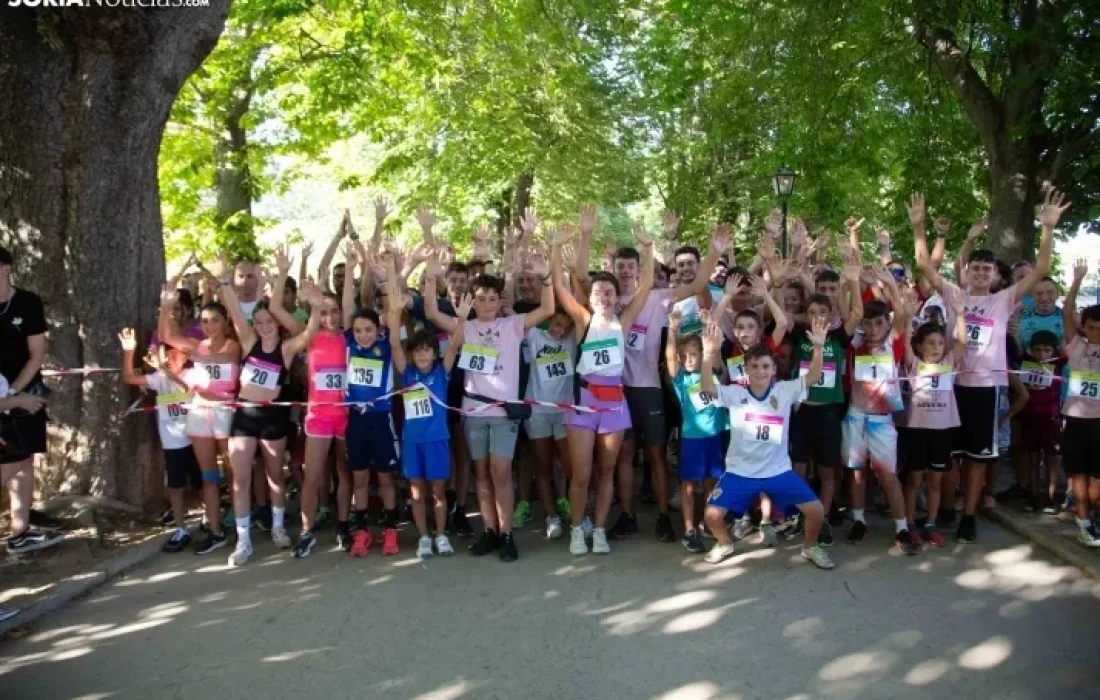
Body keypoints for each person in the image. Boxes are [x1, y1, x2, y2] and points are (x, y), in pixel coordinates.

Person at [914, 188, 1069, 543]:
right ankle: (949, 508)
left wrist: (1047, 228)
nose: (981, 273)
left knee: (977, 459)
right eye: (976, 268)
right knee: (951, 457)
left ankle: (969, 515)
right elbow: (924, 265)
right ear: (966, 272)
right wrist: (919, 226)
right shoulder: (956, 295)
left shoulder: (1004, 300)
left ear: (995, 275)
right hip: (951, 386)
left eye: (987, 269)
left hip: (985, 389)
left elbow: (1042, 268)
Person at [574, 208, 731, 544]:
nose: (626, 273)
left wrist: (715, 251)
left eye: (631, 267)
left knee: (657, 453)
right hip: (613, 390)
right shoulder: (605, 302)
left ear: (639, 270)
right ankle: (627, 515)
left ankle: (662, 516)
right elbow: (576, 276)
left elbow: (700, 283)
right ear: (613, 271)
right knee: (623, 456)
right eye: (621, 268)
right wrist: (584, 234)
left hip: (647, 387)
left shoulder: (656, 297)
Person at [424, 242, 555, 563]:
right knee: (481, 474)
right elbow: (430, 312)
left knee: (501, 473)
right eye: (480, 298)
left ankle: (508, 532)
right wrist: (430, 274)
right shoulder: (465, 327)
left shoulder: (512, 325)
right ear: (472, 300)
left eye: (492, 299)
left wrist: (547, 278)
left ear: (500, 302)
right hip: (473, 411)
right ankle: (490, 530)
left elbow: (547, 311)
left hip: (503, 412)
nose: (486, 303)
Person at [550, 219, 656, 555]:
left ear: (615, 297)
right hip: (583, 400)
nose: (605, 297)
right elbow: (557, 285)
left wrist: (648, 247)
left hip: (613, 403)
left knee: (607, 470)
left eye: (609, 292)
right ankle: (577, 529)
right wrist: (555, 249)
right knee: (581, 474)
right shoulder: (583, 320)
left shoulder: (622, 321)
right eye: (599, 292)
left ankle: (598, 529)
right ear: (591, 296)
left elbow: (648, 283)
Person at [698, 319, 835, 570]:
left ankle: (810, 547)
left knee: (815, 510)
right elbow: (707, 386)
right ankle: (725, 543)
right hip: (740, 471)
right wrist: (708, 354)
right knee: (711, 516)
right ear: (746, 370)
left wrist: (818, 347)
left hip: (778, 471)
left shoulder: (784, 390)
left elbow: (814, 376)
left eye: (765, 366)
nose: (760, 371)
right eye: (754, 366)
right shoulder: (734, 393)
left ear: (774, 369)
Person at [218, 257, 322, 566]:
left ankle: (278, 527)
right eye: (259, 321)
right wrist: (225, 282)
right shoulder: (249, 341)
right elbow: (236, 310)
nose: (263, 326)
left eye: (268, 321)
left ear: (277, 323)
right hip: (245, 414)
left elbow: (310, 336)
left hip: (273, 416)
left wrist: (315, 307)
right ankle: (243, 540)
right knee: (240, 478)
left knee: (276, 475)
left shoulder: (287, 349)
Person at [269, 261, 351, 558]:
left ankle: (344, 526)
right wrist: (281, 274)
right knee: (312, 475)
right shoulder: (310, 335)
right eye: (324, 312)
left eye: (334, 311)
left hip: (346, 416)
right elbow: (277, 309)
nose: (329, 317)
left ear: (342, 313)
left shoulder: (350, 337)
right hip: (319, 417)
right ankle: (307, 530)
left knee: (344, 474)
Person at [388, 261, 467, 558]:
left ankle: (441, 534)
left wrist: (459, 320)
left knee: (437, 491)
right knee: (417, 493)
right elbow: (395, 343)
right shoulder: (408, 373)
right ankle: (423, 537)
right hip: (412, 441)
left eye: (427, 351)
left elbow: (456, 343)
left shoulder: (441, 372)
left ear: (435, 353)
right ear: (413, 354)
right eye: (418, 351)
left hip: (437, 440)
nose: (423, 355)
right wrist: (395, 313)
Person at [157, 280, 240, 555]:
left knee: (234, 473)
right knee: (209, 476)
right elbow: (166, 335)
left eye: (215, 320)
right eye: (205, 321)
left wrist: (196, 371)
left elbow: (220, 361)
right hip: (199, 413)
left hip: (224, 413)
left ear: (225, 322)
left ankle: (243, 529)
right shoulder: (197, 345)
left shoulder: (232, 347)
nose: (209, 326)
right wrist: (166, 305)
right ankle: (216, 531)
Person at [786, 262, 863, 546]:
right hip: (803, 411)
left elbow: (856, 313)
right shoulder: (800, 337)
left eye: (823, 312)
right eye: (812, 312)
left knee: (827, 470)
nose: (817, 317)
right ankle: (804, 515)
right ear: (806, 315)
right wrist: (779, 281)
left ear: (832, 317)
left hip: (829, 413)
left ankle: (825, 517)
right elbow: (782, 316)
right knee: (799, 468)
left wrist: (852, 282)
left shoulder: (840, 339)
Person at [843, 267, 918, 554]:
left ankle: (902, 527)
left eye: (878, 323)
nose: (873, 329)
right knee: (858, 473)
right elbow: (848, 310)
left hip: (882, 421)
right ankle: (859, 520)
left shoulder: (893, 344)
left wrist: (889, 284)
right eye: (868, 324)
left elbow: (901, 314)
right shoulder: (856, 344)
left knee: (888, 476)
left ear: (886, 325)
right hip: (855, 416)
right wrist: (851, 280)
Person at [0, 245, 61, 554]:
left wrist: (16, 393)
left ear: (7, 267)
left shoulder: (27, 302)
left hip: (24, 391)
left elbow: (36, 354)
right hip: (4, 400)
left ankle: (20, 532)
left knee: (25, 461)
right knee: (10, 460)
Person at [342, 248, 402, 557]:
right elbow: (347, 306)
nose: (363, 335)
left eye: (368, 330)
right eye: (358, 330)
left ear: (377, 330)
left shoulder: (386, 345)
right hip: (356, 420)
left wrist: (389, 272)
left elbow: (393, 308)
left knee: (385, 477)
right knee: (360, 478)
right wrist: (352, 269)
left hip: (381, 418)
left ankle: (391, 531)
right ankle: (362, 532)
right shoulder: (349, 346)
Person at [119, 328, 199, 553]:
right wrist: (128, 351)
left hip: (196, 438)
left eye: (177, 353)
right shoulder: (159, 377)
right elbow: (128, 378)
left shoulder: (192, 374)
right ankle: (181, 527)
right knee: (175, 486)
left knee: (203, 483)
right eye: (167, 354)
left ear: (186, 356)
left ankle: (210, 519)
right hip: (173, 442)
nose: (171, 357)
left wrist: (162, 368)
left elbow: (185, 389)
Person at [901, 292, 967, 549]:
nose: (936, 347)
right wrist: (907, 317)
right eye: (930, 343)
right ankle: (908, 523)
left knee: (935, 481)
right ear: (920, 346)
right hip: (918, 430)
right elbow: (905, 343)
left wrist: (960, 314)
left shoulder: (949, 362)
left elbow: (960, 344)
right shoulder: (914, 365)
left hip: (942, 430)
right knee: (915, 480)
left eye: (940, 343)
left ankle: (930, 524)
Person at [666, 309, 729, 553]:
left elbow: (715, 351)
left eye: (695, 354)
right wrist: (672, 330)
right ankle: (690, 528)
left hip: (715, 436)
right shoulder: (681, 379)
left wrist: (708, 324)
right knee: (689, 485)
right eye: (685, 356)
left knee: (713, 482)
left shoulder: (712, 371)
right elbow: (670, 357)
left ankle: (708, 522)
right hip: (692, 439)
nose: (690, 359)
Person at [521, 307, 576, 539]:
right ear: (549, 321)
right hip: (537, 411)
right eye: (556, 324)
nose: (559, 330)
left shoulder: (573, 341)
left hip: (564, 412)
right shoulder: (535, 336)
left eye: (565, 326)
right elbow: (518, 322)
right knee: (542, 467)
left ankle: (577, 515)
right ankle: (550, 516)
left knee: (572, 466)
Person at [1058, 260, 1100, 547]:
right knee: (1079, 474)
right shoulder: (1077, 345)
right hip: (1074, 419)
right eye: (1092, 327)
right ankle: (1085, 522)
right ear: (1084, 328)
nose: (1096, 332)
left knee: (1096, 481)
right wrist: (1076, 281)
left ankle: (1089, 515)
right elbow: (1067, 312)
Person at [1018, 329, 1067, 514]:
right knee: (1032, 457)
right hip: (1030, 416)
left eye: (1047, 350)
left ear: (1054, 351)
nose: (1042, 354)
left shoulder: (1059, 363)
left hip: (1051, 418)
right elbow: (1018, 350)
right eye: (1037, 350)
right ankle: (1033, 495)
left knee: (1051, 458)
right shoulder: (1025, 361)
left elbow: (1067, 351)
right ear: (1031, 350)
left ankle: (1050, 496)